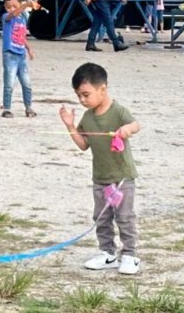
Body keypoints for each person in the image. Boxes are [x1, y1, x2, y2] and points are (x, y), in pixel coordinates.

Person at [59, 62, 141, 275]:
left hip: (122, 177)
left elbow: (135, 125)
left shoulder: (118, 111)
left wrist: (125, 130)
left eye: (86, 94)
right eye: (79, 96)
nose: (82, 100)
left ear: (102, 89)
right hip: (101, 178)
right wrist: (69, 125)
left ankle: (130, 255)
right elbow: (83, 145)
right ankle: (108, 253)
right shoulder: (87, 117)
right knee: (101, 217)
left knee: (124, 216)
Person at [0, 0, 38, 119]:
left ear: (19, 4)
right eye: (8, 6)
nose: (11, 9)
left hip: (21, 54)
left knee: (26, 83)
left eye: (14, 6)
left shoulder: (22, 19)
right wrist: (26, 5)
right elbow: (13, 14)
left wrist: (29, 49)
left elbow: (22, 36)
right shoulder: (7, 17)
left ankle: (28, 107)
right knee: (9, 83)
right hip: (10, 54)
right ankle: (7, 108)